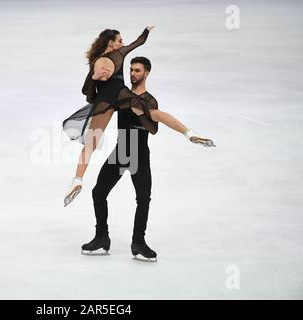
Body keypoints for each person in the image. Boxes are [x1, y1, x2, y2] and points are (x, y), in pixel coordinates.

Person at [80, 57, 216, 262]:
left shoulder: (150, 100)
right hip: (122, 150)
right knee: (98, 192)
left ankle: (138, 243)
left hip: (139, 154)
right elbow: (95, 96)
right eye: (131, 70)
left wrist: (188, 133)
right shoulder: (121, 94)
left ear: (147, 73)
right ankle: (101, 237)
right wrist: (95, 75)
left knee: (143, 199)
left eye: (137, 70)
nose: (133, 74)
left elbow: (157, 122)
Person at [62, 26, 157, 207]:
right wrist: (146, 31)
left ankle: (77, 180)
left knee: (90, 145)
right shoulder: (119, 54)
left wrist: (95, 77)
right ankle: (186, 131)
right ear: (111, 43)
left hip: (104, 104)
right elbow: (139, 42)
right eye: (120, 40)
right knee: (151, 111)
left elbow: (87, 93)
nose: (123, 43)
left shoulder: (96, 62)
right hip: (122, 98)